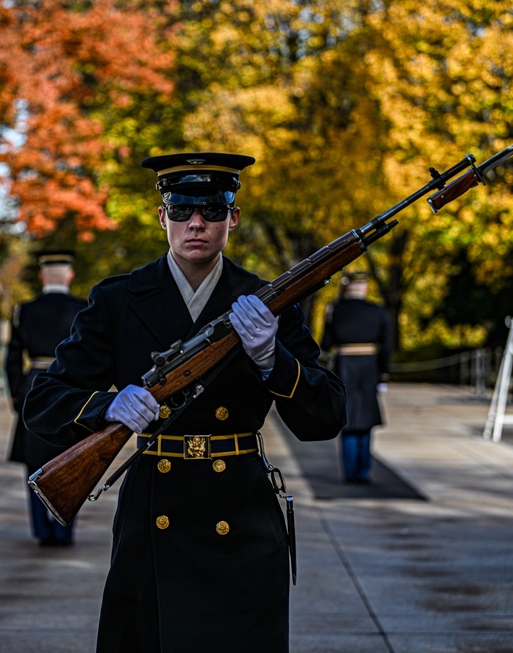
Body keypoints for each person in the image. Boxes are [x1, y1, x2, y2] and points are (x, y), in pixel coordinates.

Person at [23, 152, 347, 652]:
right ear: (162, 217)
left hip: (241, 517)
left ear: (233, 218)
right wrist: (106, 407)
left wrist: (271, 359)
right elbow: (43, 401)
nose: (197, 223)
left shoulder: (267, 301)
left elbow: (326, 416)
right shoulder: (117, 299)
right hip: (154, 512)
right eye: (181, 210)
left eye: (213, 210)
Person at [6, 250, 88, 547]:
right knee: (73, 462)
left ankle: (43, 531)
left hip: (33, 388)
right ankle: (64, 530)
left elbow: (12, 359)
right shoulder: (84, 308)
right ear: (69, 276)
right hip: (70, 390)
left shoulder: (24, 311)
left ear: (42, 277)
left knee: (35, 464)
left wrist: (17, 397)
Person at [320, 271, 391, 484]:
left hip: (345, 367)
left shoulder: (336, 311)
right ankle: (363, 471)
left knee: (348, 419)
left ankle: (351, 472)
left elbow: (325, 344)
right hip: (368, 367)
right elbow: (386, 346)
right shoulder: (377, 311)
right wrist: (384, 374)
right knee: (366, 420)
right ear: (365, 288)